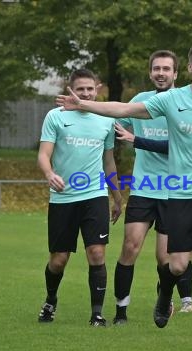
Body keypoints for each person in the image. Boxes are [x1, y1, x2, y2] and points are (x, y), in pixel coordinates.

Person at [56, 43, 192, 336]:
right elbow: (122, 109)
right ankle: (127, 308)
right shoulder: (170, 100)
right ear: (190, 67)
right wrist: (84, 105)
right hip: (163, 189)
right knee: (147, 253)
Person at [112, 50, 192, 326]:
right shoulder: (139, 102)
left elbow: (180, 147)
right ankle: (121, 310)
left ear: (175, 74)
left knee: (165, 258)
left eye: (166, 69)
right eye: (156, 68)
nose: (161, 73)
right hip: (145, 187)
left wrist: (136, 140)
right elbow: (115, 126)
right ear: (150, 73)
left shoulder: (184, 103)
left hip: (174, 190)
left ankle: (164, 298)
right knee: (130, 246)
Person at [37, 68, 122, 327]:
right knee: (59, 260)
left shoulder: (105, 119)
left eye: (89, 88)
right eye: (80, 89)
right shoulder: (56, 116)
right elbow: (43, 154)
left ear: (97, 89)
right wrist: (50, 173)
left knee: (96, 254)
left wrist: (117, 197)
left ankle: (97, 314)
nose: (85, 93)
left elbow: (109, 162)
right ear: (70, 89)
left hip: (94, 195)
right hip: (63, 198)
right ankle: (51, 299)